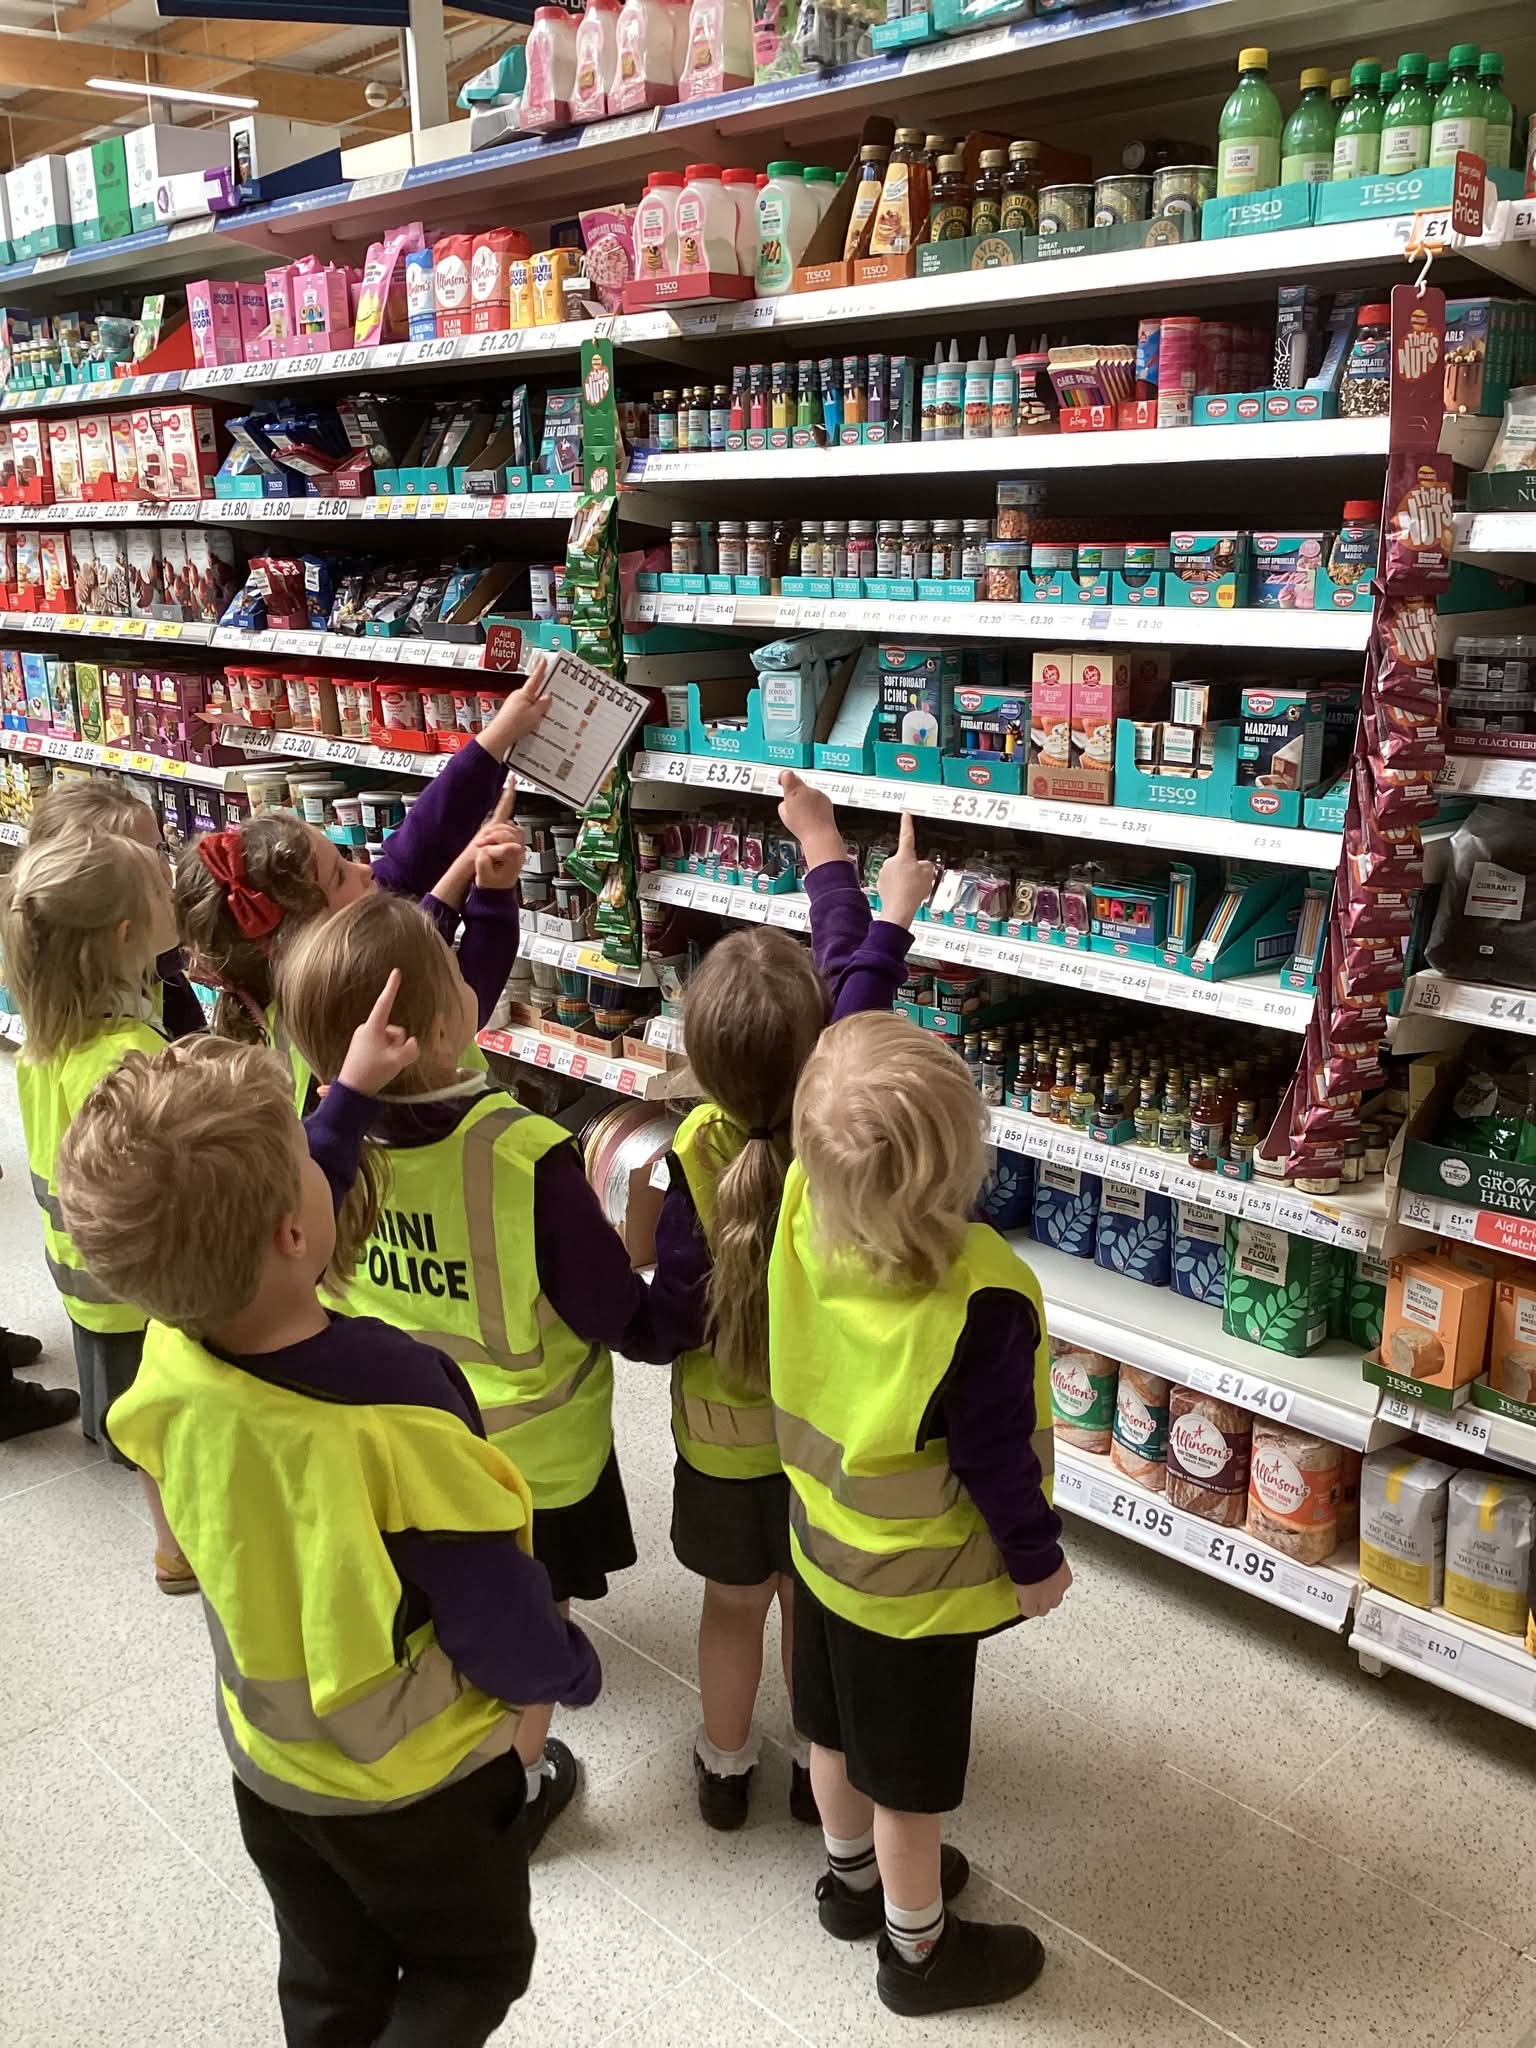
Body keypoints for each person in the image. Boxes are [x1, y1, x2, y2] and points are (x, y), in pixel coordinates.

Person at [55, 1015, 599, 2048]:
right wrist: (564, 1669)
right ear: (293, 1232)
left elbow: (260, 1228)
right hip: (410, 1783)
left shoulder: (171, 1353)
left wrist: (345, 1099)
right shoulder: (395, 1410)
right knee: (472, 1965)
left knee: (326, 1974)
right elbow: (488, 1600)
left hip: (270, 1763)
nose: (321, 1153)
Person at [276, 887, 700, 1846]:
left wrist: (493, 893)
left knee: (433, 1600)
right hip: (528, 1463)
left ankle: (439, 1741)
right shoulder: (525, 1155)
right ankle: (517, 1779)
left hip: (395, 1450)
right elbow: (620, 1316)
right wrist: (683, 1275)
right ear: (441, 1027)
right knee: (526, 1623)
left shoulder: (322, 1142)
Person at [769, 1010, 1069, 2019]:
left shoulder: (804, 1214)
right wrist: (1036, 1561)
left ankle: (850, 1883)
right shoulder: (979, 1301)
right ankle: (919, 1950)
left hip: (820, 1550)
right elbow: (993, 1460)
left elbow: (840, 1086)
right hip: (915, 1596)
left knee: (830, 1734)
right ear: (959, 1168)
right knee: (908, 1785)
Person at [657, 776, 935, 1830]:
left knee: (730, 1605)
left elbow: (667, 1319)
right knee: (804, 1609)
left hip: (721, 1448)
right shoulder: (840, 1146)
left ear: (698, 1061)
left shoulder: (691, 1155)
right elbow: (856, 977)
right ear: (824, 1050)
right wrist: (841, 862)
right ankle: (821, 1787)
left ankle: (724, 1766)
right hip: (826, 1451)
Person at [173, 664, 549, 1104]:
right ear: (303, 937)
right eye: (340, 875)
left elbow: (414, 853)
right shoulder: (359, 1010)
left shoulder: (305, 990)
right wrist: (491, 896)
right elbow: (469, 992)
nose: (367, 871)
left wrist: (495, 740)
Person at [0, 823, 191, 1574]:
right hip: (140, 1287)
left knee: (108, 1377)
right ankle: (174, 1532)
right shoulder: (130, 1058)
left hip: (79, 1267)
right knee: (160, 1416)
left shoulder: (47, 1037)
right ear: (125, 936)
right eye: (160, 893)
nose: (173, 896)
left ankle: (106, 1430)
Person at [28, 777, 205, 1038]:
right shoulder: (111, 1034)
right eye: (139, 858)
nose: (162, 869)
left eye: (159, 849)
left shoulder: (159, 962)